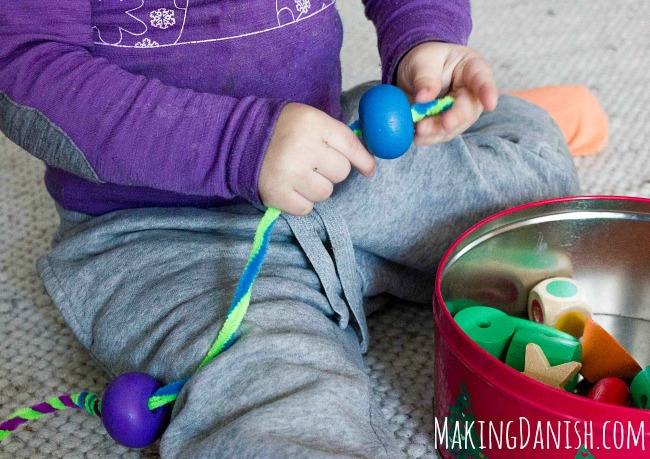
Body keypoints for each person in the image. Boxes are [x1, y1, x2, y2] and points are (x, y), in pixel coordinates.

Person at [0, 1, 580, 457]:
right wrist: (239, 144)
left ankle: (362, 266)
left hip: (334, 158)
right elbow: (21, 64)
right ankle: (348, 284)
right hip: (166, 230)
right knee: (274, 401)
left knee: (535, 178)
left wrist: (424, 38)